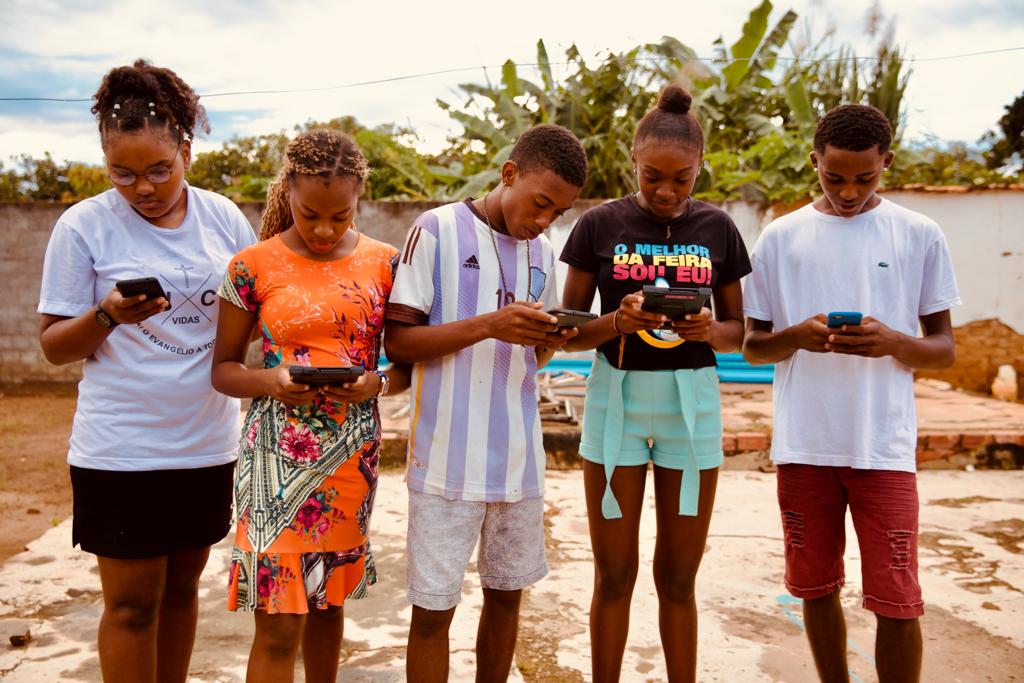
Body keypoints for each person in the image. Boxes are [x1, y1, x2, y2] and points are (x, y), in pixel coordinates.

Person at [37, 59, 256, 682]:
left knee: (183, 593)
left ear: (187, 149)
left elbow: (248, 323)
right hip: (122, 448)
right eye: (123, 174)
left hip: (206, 442)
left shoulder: (222, 219)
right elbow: (54, 345)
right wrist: (107, 315)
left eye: (159, 169)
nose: (143, 188)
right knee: (132, 606)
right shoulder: (83, 226)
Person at [742, 104, 960, 683]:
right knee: (815, 588)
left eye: (865, 178)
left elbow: (943, 349)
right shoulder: (780, 237)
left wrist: (892, 341)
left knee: (897, 597)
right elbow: (753, 347)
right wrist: (798, 336)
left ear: (887, 162)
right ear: (814, 160)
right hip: (805, 446)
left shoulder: (919, 233)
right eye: (833, 176)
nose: (847, 191)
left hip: (882, 447)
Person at [559, 85, 750, 682]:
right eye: (652, 177)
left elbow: (737, 333)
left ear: (699, 170)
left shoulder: (719, 228)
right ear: (632, 164)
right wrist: (618, 321)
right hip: (614, 403)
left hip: (690, 410)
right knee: (613, 576)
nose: (667, 192)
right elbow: (569, 332)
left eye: (682, 179)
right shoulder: (598, 224)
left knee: (679, 579)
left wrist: (704, 330)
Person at [384, 124, 587, 682]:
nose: (545, 220)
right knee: (433, 611)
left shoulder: (543, 252)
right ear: (509, 174)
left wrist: (546, 342)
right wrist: (491, 323)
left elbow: (531, 360)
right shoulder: (437, 230)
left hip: (519, 464)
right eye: (540, 203)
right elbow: (399, 342)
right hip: (445, 461)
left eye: (558, 212)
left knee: (506, 600)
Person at [210, 129, 410, 683]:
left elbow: (407, 366)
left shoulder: (387, 264)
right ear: (288, 192)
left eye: (339, 217)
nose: (324, 230)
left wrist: (376, 384)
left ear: (359, 202)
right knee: (276, 623)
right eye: (309, 214)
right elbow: (223, 370)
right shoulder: (251, 266)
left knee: (327, 607)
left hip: (351, 461)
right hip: (274, 458)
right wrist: (270, 380)